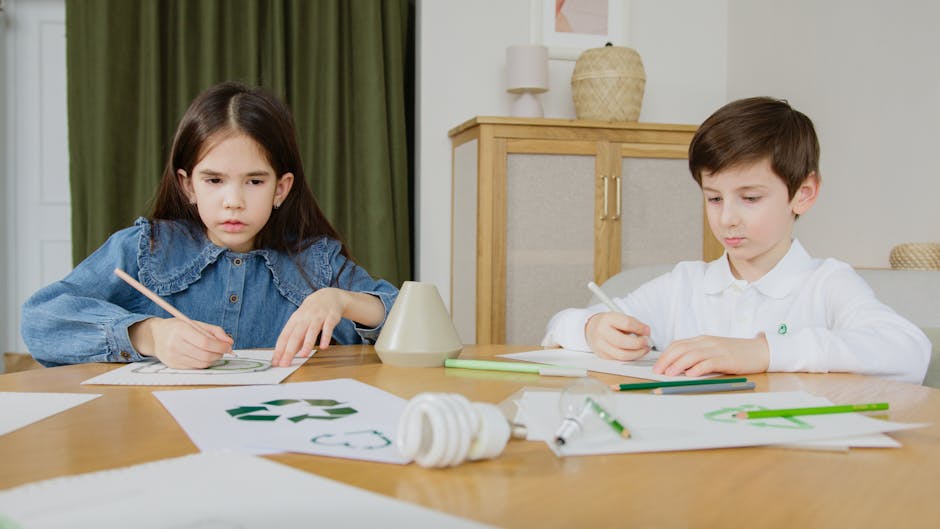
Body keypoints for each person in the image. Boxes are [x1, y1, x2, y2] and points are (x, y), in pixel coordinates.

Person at [541, 97, 930, 384]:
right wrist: (592, 328)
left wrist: (763, 352)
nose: (727, 218)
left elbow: (909, 350)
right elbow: (561, 326)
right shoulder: (685, 285)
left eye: (750, 198)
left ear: (804, 193)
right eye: (713, 198)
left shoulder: (826, 283)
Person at [22, 81, 398, 369]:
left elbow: (408, 318)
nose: (233, 200)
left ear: (280, 188)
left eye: (254, 181)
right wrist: (148, 334)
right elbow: (41, 320)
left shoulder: (317, 261)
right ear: (188, 185)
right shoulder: (145, 247)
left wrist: (342, 299)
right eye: (214, 180)